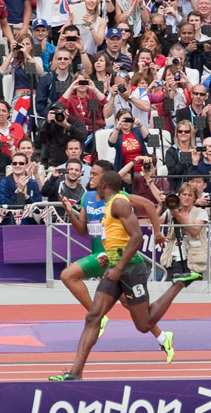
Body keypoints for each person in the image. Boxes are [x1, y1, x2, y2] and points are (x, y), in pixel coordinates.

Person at [49, 171, 202, 381]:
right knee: (93, 317)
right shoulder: (109, 203)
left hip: (131, 269)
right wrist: (109, 261)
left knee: (144, 324)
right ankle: (75, 373)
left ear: (104, 185)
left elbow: (137, 236)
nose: (93, 184)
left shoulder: (120, 203)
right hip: (114, 266)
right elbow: (112, 238)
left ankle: (177, 285)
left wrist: (119, 266)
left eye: (96, 180)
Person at [59, 160, 165, 337]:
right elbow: (81, 230)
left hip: (112, 255)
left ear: (105, 179)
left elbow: (147, 205)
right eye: (90, 173)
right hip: (100, 256)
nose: (90, 176)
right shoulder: (87, 197)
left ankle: (98, 316)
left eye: (94, 174)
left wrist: (157, 232)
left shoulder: (119, 196)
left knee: (68, 275)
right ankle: (162, 336)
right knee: (127, 301)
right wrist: (70, 212)